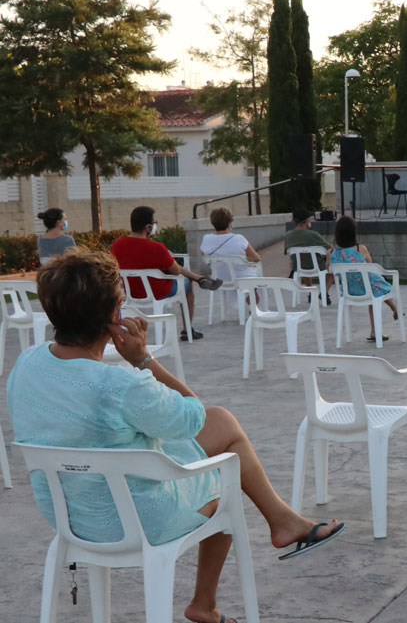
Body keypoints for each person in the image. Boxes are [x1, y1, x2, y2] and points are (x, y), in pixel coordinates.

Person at [6, 249, 345, 623]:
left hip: (69, 517)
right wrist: (144, 360)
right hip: (137, 521)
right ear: (113, 316)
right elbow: (192, 414)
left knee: (221, 424)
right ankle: (208, 601)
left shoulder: (29, 362)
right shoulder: (121, 386)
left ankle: (282, 523)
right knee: (224, 479)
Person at [111, 206, 221, 342]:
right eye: (154, 223)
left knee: (181, 273)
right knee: (187, 283)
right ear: (148, 227)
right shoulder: (156, 248)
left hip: (132, 292)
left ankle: (199, 278)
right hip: (159, 292)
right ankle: (188, 329)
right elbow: (175, 271)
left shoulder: (117, 245)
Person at [329, 216, 399, 342]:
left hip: (348, 292)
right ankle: (391, 311)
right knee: (377, 287)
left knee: (374, 288)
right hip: (367, 290)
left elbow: (330, 271)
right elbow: (371, 267)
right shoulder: (360, 249)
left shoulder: (332, 253)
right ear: (353, 233)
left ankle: (378, 327)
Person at [284, 207, 334, 301]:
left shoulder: (288, 235)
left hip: (298, 267)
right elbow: (330, 248)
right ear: (307, 220)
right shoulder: (313, 235)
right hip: (318, 266)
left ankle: (311, 292)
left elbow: (286, 251)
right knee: (332, 269)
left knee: (303, 263)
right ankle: (324, 292)